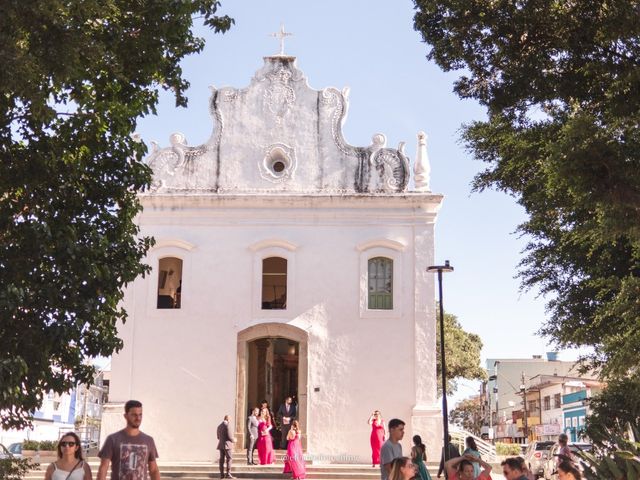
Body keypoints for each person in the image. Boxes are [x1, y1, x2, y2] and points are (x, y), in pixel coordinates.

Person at [97, 399, 160, 480]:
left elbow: (154, 470)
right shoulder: (112, 439)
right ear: (125, 416)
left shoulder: (149, 440)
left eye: (140, 415)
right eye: (134, 415)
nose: (138, 418)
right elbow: (103, 469)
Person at [217, 415, 235, 479]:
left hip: (221, 445)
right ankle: (228, 474)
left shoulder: (219, 426)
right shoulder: (228, 425)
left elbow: (218, 437)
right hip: (227, 445)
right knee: (229, 459)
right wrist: (234, 440)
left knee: (221, 460)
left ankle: (221, 475)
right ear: (228, 419)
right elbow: (230, 437)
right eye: (230, 419)